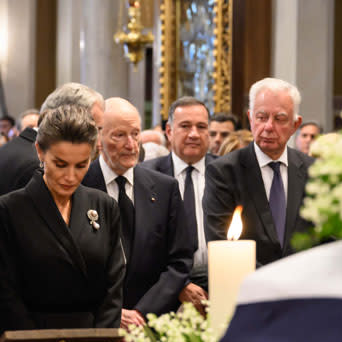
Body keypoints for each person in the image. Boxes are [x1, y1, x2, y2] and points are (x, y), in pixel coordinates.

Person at [0, 104, 124, 342]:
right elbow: (5, 295)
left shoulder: (103, 205)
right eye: (60, 164)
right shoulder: (11, 209)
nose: (70, 176)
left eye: (81, 165)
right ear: (40, 151)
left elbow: (113, 288)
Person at [83, 97, 193, 327]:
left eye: (135, 134)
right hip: (94, 323)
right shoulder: (80, 186)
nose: (131, 145)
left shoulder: (165, 188)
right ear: (99, 137)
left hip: (152, 323)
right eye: (119, 135)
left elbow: (179, 261)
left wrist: (142, 313)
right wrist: (112, 312)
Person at [204, 77, 313, 266]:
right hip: (248, 286)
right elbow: (221, 240)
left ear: (295, 125)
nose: (269, 127)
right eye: (261, 117)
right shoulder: (224, 172)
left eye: (279, 119)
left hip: (303, 284)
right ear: (250, 118)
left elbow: (326, 237)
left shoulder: (313, 171)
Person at [141, 96, 217, 313]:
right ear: (169, 130)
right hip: (162, 292)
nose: (194, 133)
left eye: (201, 127)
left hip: (219, 284)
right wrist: (179, 285)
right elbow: (143, 242)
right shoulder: (147, 175)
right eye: (185, 126)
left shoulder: (227, 173)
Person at [0, 83, 104, 209]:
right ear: (71, 117)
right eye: (96, 129)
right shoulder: (39, 165)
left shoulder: (16, 147)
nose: (99, 139)